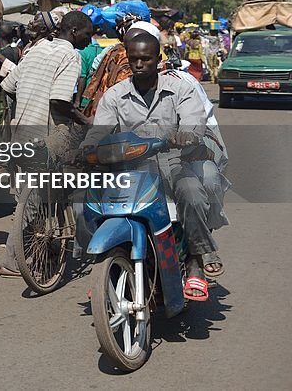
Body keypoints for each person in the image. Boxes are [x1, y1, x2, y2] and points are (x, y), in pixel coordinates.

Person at [79, 32, 223, 300]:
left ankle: (195, 260)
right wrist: (88, 149)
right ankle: (105, 267)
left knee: (192, 194)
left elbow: (193, 120)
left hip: (174, 163)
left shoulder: (181, 88)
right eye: (134, 59)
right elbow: (99, 131)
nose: (139, 64)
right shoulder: (115, 95)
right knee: (86, 202)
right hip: (129, 168)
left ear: (158, 59)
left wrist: (186, 134)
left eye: (145, 59)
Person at [0, 11, 94, 277]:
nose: (90, 39)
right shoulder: (70, 55)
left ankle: (49, 247)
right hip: (46, 136)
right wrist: (86, 121)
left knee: (35, 196)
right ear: (74, 31)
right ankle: (12, 261)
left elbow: (7, 87)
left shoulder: (35, 51)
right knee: (41, 196)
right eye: (87, 34)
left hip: (22, 133)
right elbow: (60, 102)